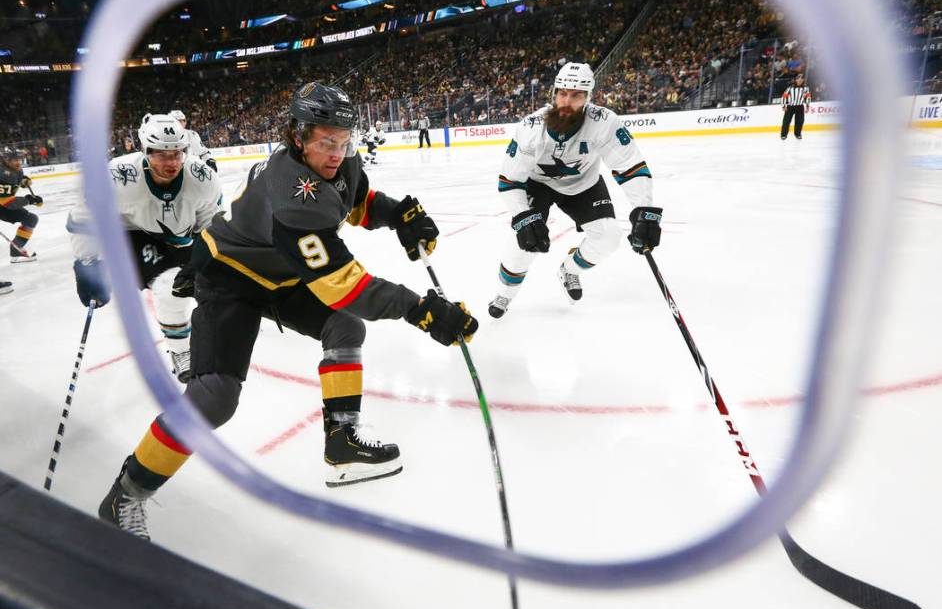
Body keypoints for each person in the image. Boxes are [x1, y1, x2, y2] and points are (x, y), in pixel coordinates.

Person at [97, 82, 478, 540]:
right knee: (215, 397)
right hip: (230, 276)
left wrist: (399, 214)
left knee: (344, 328)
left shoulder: (340, 163)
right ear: (297, 136)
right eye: (325, 142)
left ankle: (342, 442)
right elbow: (346, 287)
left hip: (278, 269)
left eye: (343, 140)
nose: (337, 152)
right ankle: (126, 494)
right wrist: (423, 311)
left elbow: (354, 200)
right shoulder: (292, 199)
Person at [488, 62, 662, 318]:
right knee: (523, 242)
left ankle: (570, 270)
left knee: (609, 237)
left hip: (583, 183)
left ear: (588, 97)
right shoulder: (531, 127)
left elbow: (630, 166)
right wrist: (523, 217)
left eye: (576, 95)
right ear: (554, 94)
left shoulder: (604, 122)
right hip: (539, 183)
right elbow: (510, 181)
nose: (567, 101)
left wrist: (643, 208)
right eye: (562, 93)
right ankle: (505, 293)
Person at [68, 113, 224, 383]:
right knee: (168, 286)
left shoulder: (202, 177)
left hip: (181, 237)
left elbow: (214, 224)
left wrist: (204, 260)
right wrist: (86, 263)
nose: (172, 162)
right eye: (162, 154)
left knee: (210, 282)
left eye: (177, 153)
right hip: (132, 234)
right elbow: (83, 216)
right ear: (145, 151)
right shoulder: (117, 176)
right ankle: (180, 351)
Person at [0, 147, 42, 263]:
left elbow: (16, 180)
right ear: (6, 160)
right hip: (2, 205)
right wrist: (29, 200)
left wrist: (23, 180)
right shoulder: (3, 174)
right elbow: (6, 202)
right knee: (30, 219)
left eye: (18, 158)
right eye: (13, 159)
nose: (18, 162)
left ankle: (15, 250)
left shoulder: (15, 170)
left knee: (30, 219)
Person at [780, 73, 811, 140]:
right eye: (798, 79)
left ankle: (798, 134)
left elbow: (808, 97)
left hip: (800, 107)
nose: (800, 80)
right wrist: (783, 106)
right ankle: (783, 135)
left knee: (800, 121)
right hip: (790, 107)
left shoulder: (806, 88)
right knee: (786, 121)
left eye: (801, 79)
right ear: (796, 80)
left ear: (803, 80)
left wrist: (808, 106)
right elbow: (783, 97)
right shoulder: (790, 88)